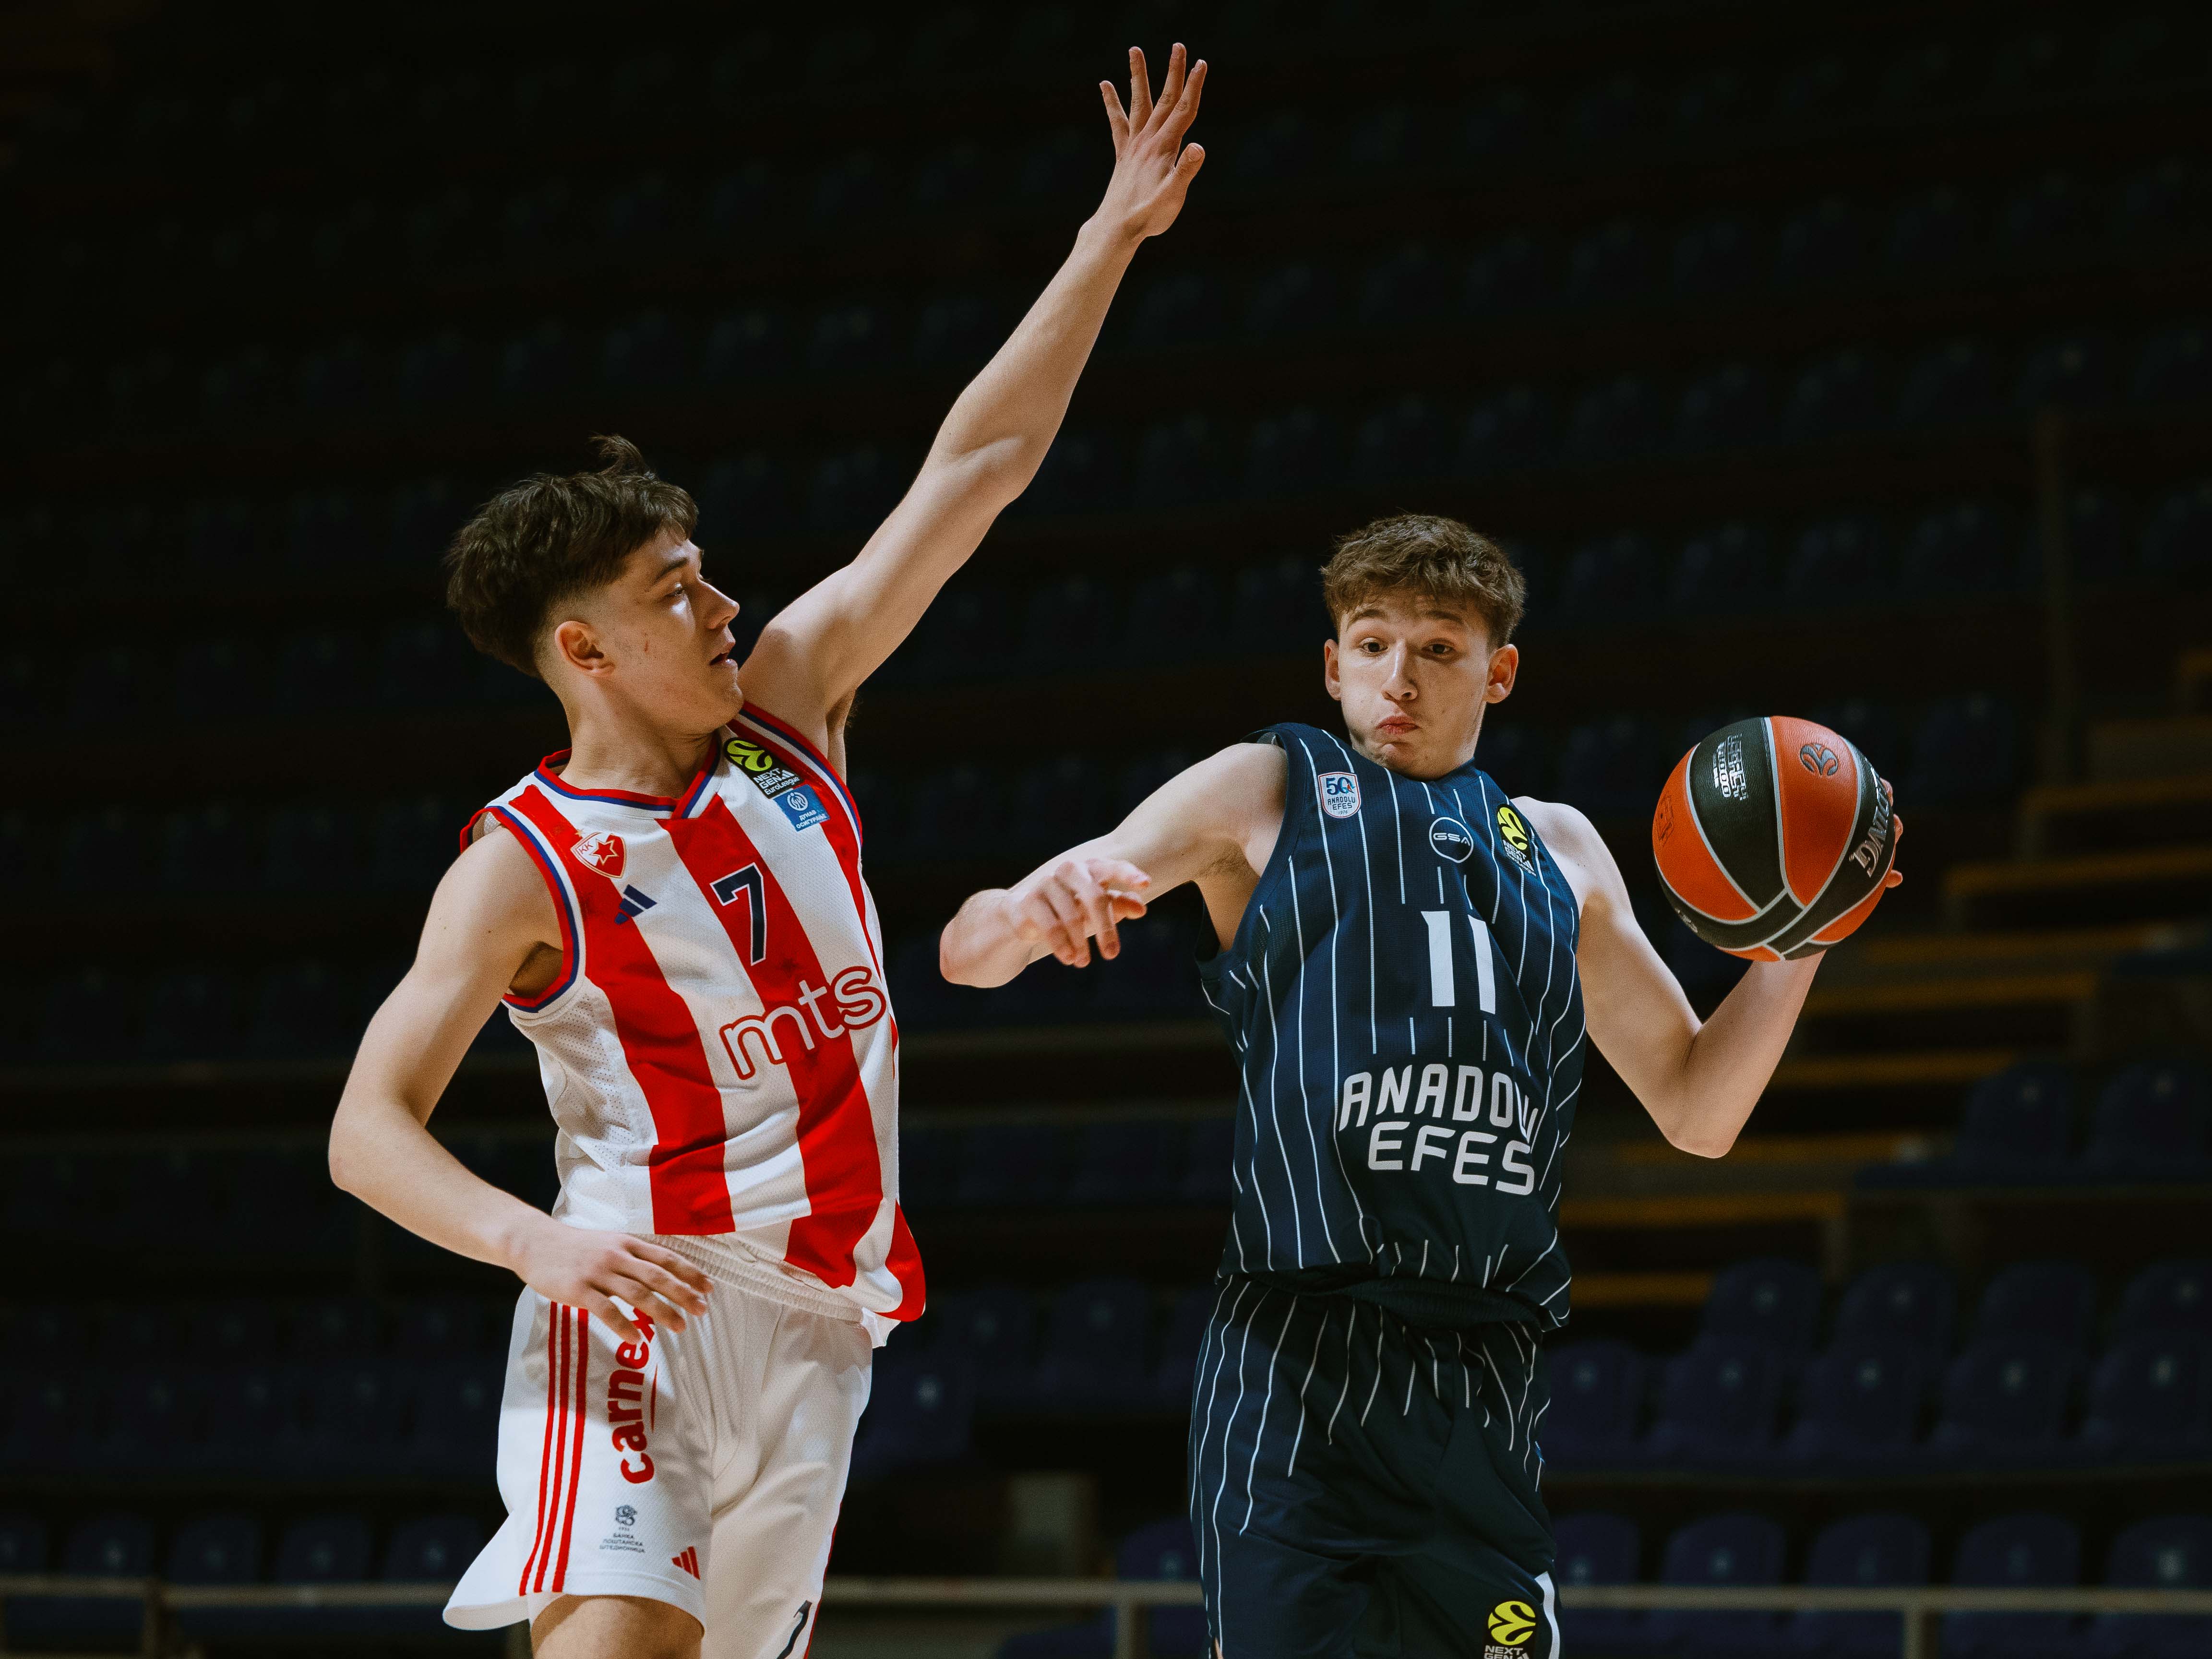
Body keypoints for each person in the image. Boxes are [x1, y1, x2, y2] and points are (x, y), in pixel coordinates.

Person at [326, 46, 1208, 1659]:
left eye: (708, 570)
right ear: (584, 649)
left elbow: (975, 470)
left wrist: (1107, 240)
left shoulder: (791, 711)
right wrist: (541, 1242)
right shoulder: (523, 862)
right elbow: (364, 1131)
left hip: (825, 1328)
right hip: (641, 1307)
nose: (725, 605)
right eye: (677, 591)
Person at [937, 513, 1904, 1659]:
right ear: (1332, 663)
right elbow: (967, 952)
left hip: (1480, 1380)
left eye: (1438, 647)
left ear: (1499, 671)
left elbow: (1699, 1112)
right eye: (1372, 643)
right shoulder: (1267, 787)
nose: (1398, 677)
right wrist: (1022, 914)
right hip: (1301, 1358)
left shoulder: (1560, 850)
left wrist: (1801, 942)